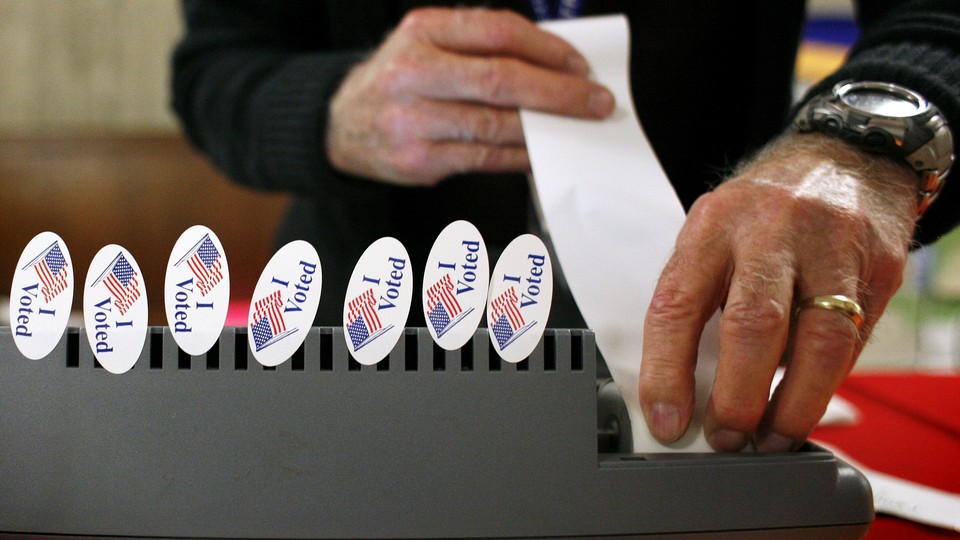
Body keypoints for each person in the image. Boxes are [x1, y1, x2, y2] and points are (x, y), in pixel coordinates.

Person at [171, 1, 960, 452]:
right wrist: (330, 112)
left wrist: (865, 148)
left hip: (705, 366)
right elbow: (218, 67)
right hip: (362, 357)